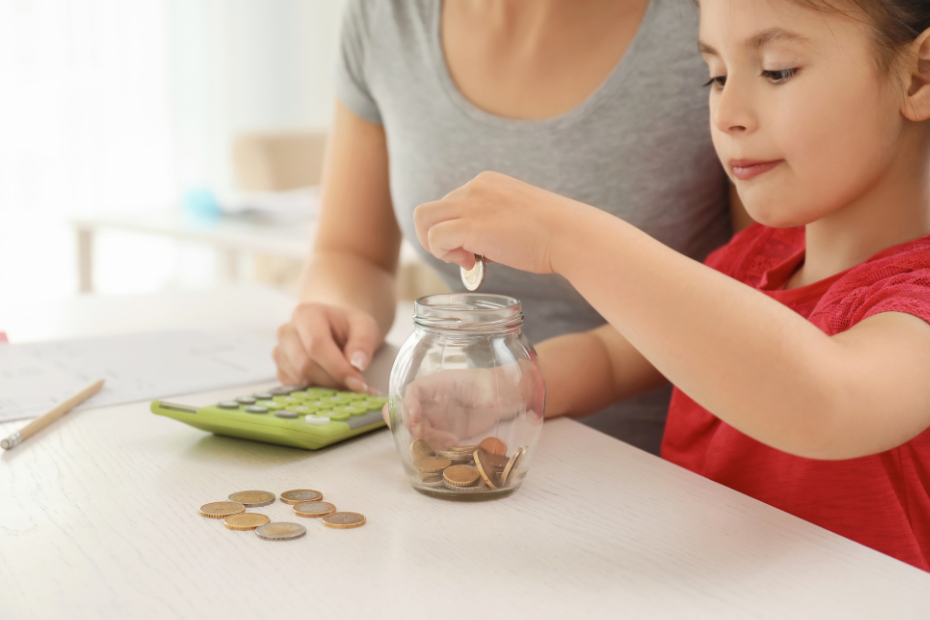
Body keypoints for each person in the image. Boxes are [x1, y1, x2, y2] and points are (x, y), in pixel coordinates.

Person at [411, 0, 930, 571]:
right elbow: (613, 355)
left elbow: (827, 402)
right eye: (717, 76)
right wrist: (494, 389)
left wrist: (568, 237)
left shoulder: (919, 299)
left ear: (918, 75)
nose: (727, 112)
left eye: (778, 70)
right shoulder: (754, 260)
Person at [273, 0, 750, 455]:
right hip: (456, 439)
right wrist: (333, 316)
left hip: (672, 469)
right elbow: (352, 252)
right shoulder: (385, 15)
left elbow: (762, 289)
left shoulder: (715, 21)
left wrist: (519, 385)